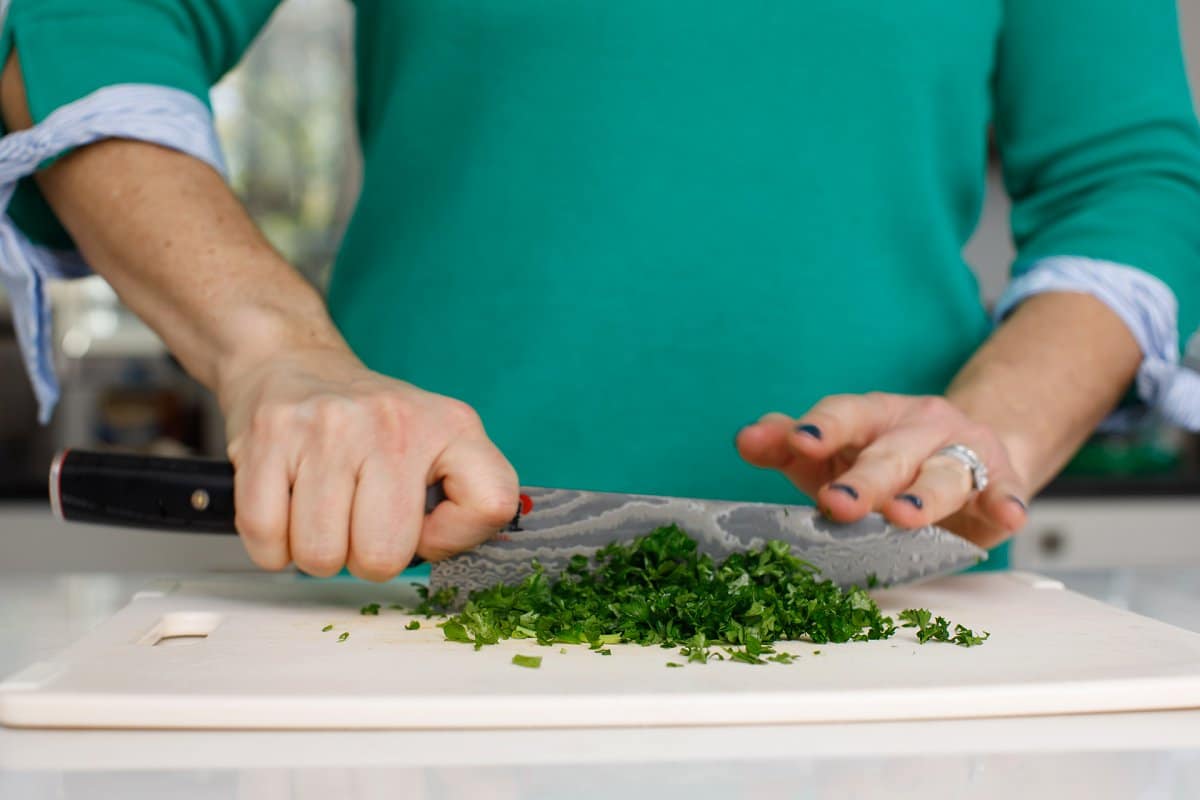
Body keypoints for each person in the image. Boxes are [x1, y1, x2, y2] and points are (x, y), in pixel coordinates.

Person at [1, 1, 1198, 581]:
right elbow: (91, 28)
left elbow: (1130, 176)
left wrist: (993, 434)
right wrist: (274, 347)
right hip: (403, 589)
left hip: (896, 601)